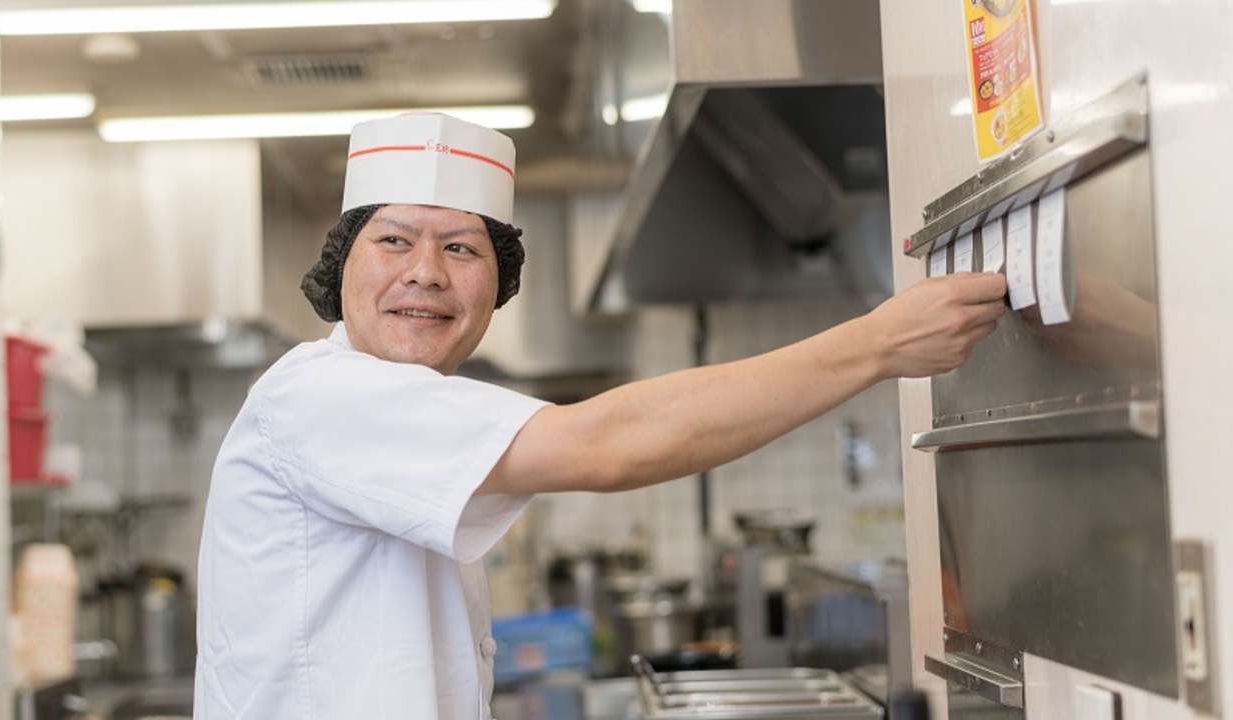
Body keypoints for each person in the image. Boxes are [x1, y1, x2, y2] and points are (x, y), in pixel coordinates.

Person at [193, 112, 1007, 719]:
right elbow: (610, 445)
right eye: (395, 241)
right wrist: (878, 345)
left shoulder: (402, 409)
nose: (427, 273)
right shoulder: (323, 396)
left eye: (462, 248)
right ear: (342, 265)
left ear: (497, 285)